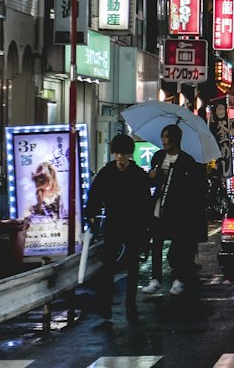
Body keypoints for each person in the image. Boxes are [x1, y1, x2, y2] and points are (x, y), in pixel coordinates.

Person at [84, 133, 152, 320]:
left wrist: (146, 228)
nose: (120, 157)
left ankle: (130, 302)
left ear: (130, 154)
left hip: (134, 224)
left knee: (132, 264)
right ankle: (106, 303)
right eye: (117, 153)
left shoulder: (138, 175)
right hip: (114, 222)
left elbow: (146, 203)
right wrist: (90, 213)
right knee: (108, 264)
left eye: (123, 153)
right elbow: (95, 195)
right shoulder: (107, 173)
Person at [142, 124, 206, 298]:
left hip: (178, 210)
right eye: (162, 136)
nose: (163, 140)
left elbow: (195, 186)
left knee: (178, 246)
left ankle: (179, 279)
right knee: (156, 244)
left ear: (175, 139)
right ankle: (155, 279)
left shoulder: (187, 161)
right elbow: (151, 182)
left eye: (166, 137)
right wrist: (151, 178)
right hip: (159, 207)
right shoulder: (157, 157)